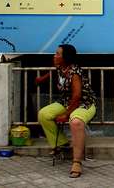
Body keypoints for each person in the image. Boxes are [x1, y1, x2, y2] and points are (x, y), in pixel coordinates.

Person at [36, 44, 96, 178]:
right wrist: (42, 79)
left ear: (65, 58)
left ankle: (77, 162)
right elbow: (53, 72)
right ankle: (61, 144)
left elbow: (77, 96)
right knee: (43, 114)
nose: (54, 56)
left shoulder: (74, 72)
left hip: (83, 103)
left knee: (75, 122)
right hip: (66, 101)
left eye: (58, 54)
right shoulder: (60, 67)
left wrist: (66, 115)